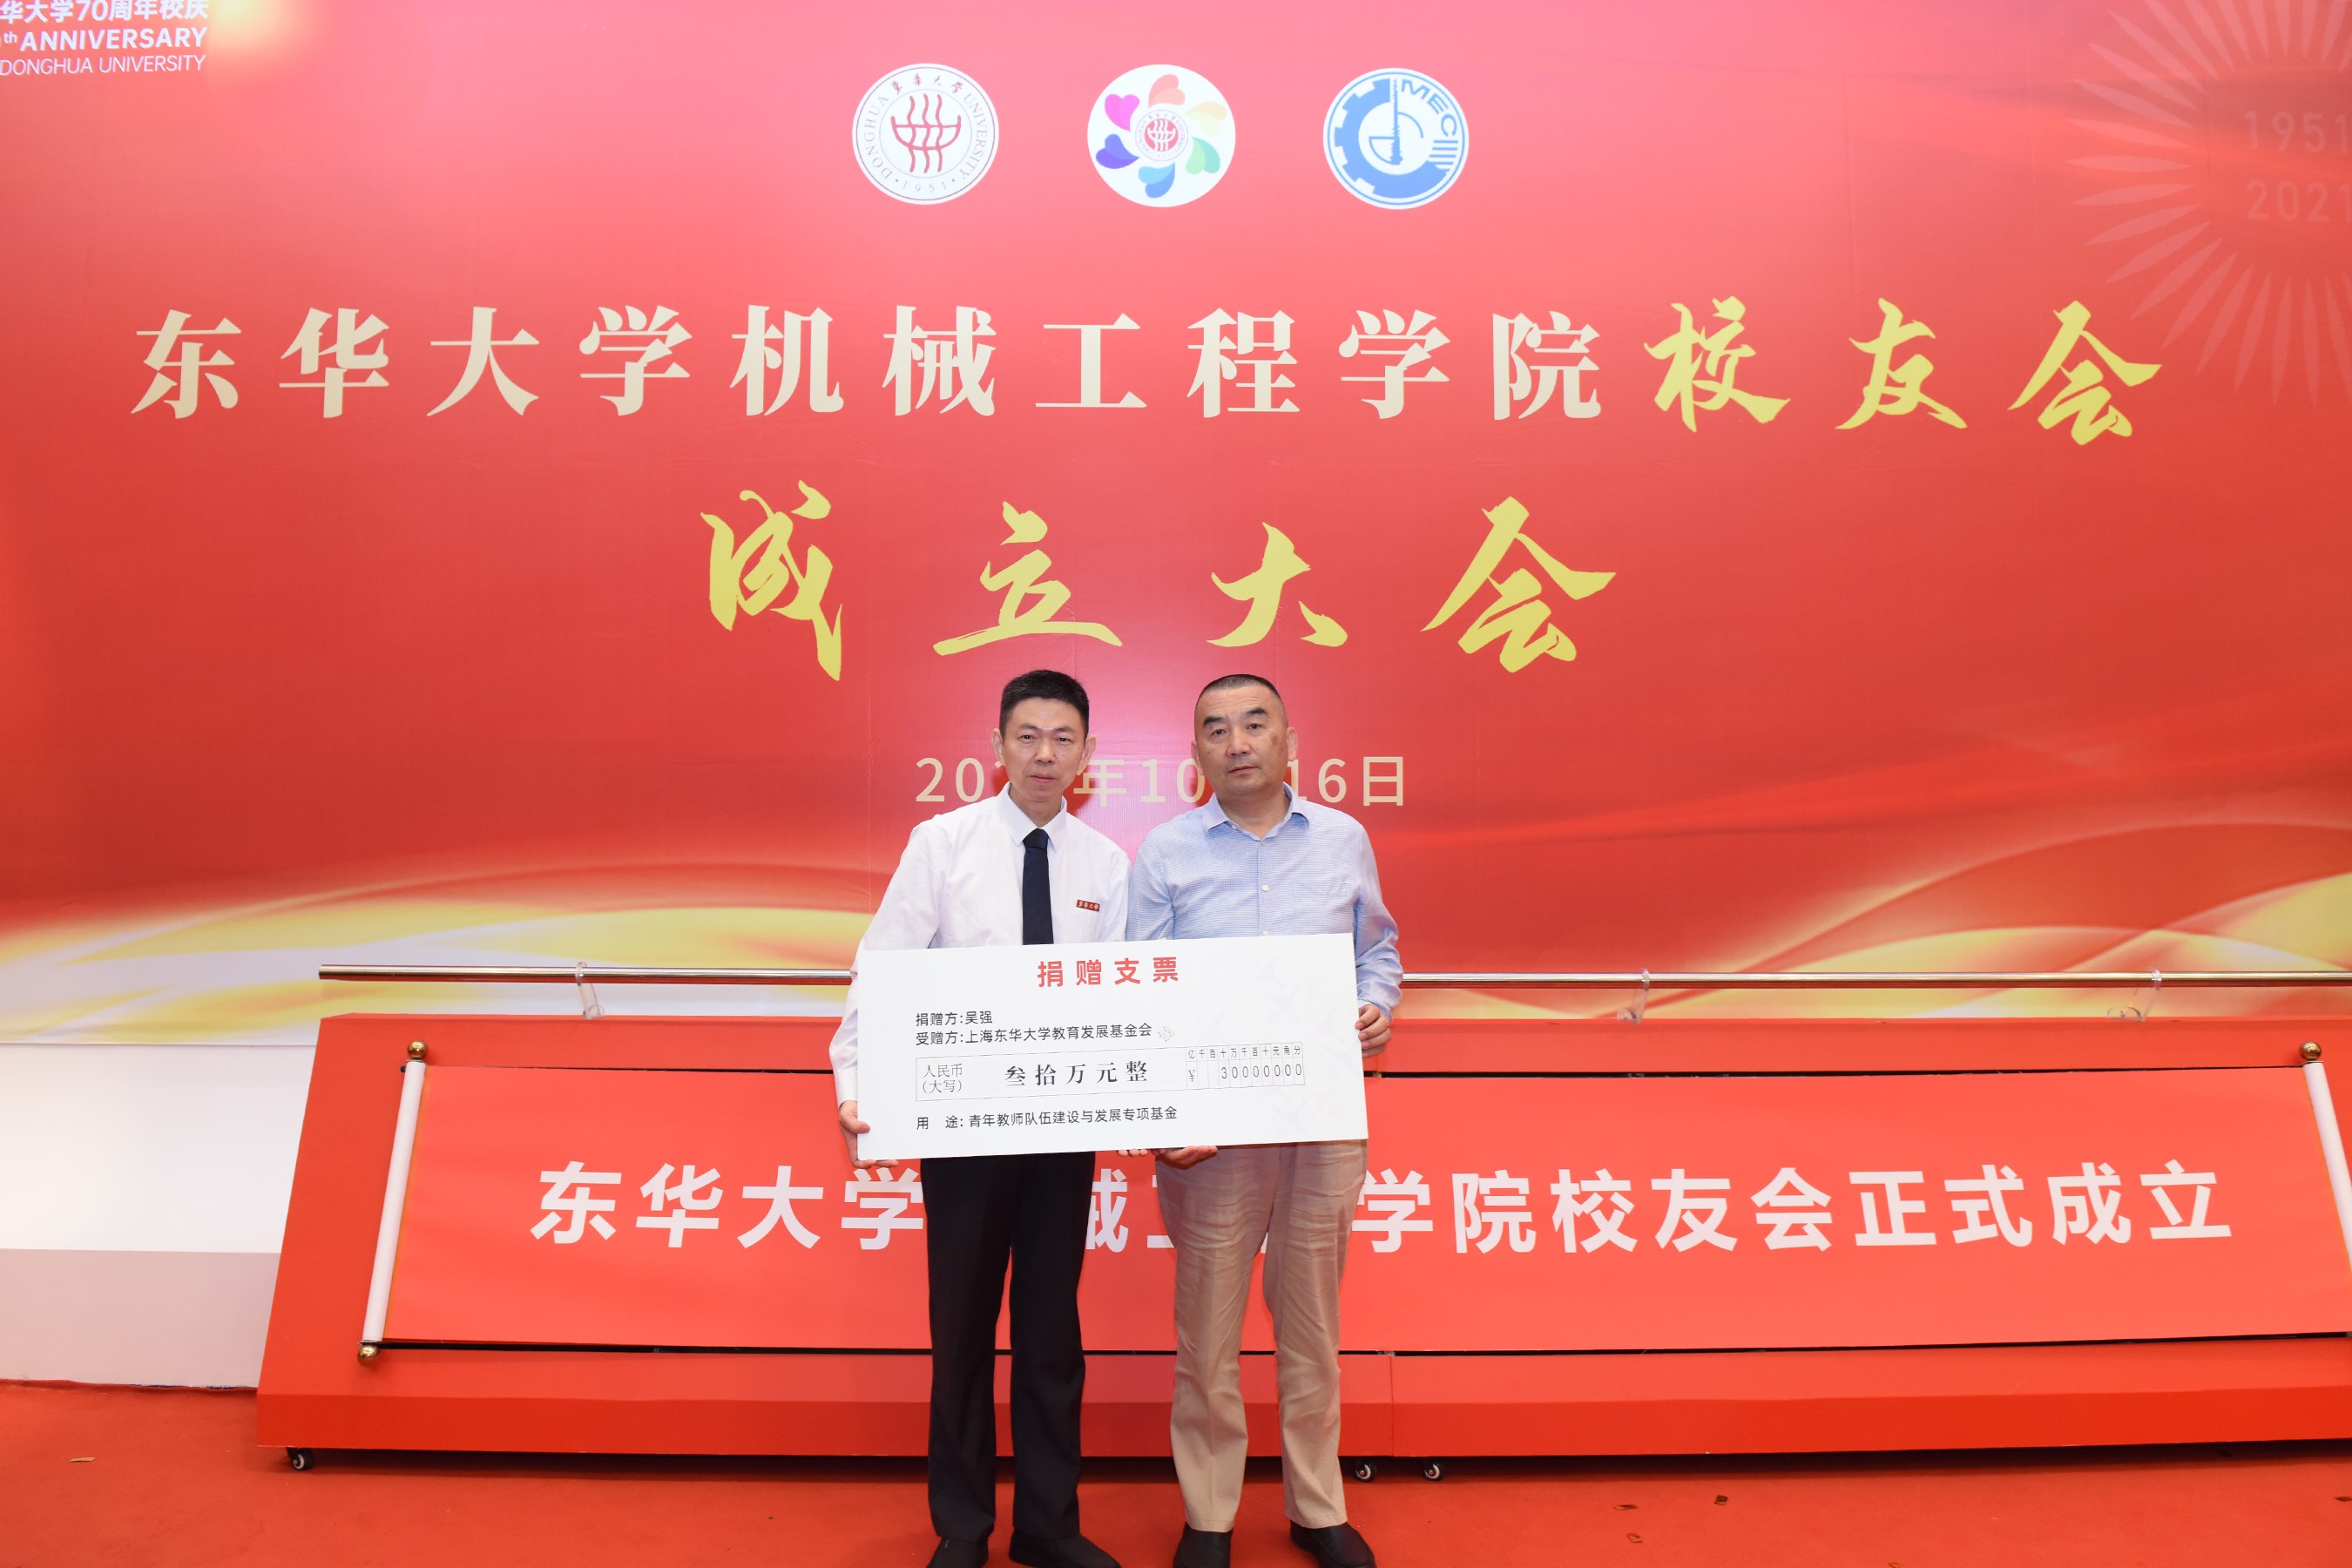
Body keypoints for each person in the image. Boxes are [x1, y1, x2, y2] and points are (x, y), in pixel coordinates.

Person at [832, 670, 1130, 1568]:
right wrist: (857, 1081)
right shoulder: (943, 844)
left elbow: (1127, 1000)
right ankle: (962, 1527)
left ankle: (1047, 1526)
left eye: (1063, 738)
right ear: (998, 746)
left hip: (1063, 1126)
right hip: (960, 1127)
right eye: (1027, 736)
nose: (1044, 754)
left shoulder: (1107, 864)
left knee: (1050, 1332)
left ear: (1087, 754)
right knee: (960, 1325)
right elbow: (883, 965)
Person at [1127, 674, 1401, 1568]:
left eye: (1255, 724)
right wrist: (1166, 1108)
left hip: (1322, 1120)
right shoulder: (1165, 851)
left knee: (1312, 1328)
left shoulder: (1343, 839)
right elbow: (1138, 988)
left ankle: (1317, 1507)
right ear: (1195, 754)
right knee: (1207, 1335)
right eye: (1216, 729)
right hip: (1211, 1136)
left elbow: (1378, 948)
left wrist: (1376, 1004)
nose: (1237, 742)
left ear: (1290, 739)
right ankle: (1208, 1516)